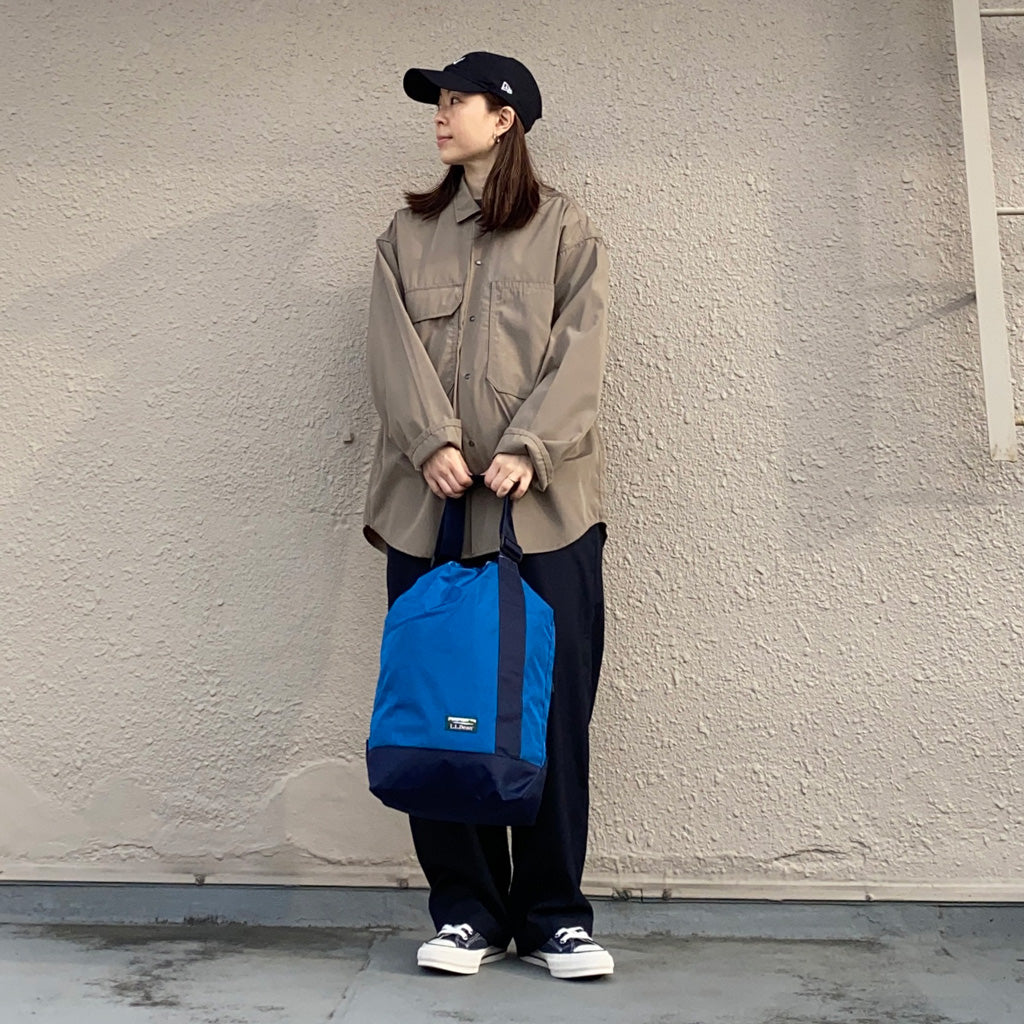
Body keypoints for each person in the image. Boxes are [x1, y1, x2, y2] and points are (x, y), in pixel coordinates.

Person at [363, 51, 612, 981]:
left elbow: (583, 351)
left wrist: (529, 446)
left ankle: (554, 918)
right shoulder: (406, 234)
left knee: (550, 714)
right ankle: (466, 912)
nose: (440, 113)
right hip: (430, 516)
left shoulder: (564, 230)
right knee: (439, 708)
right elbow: (389, 348)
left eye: (456, 100)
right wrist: (429, 440)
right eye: (436, 101)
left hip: (544, 516)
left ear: (505, 118)